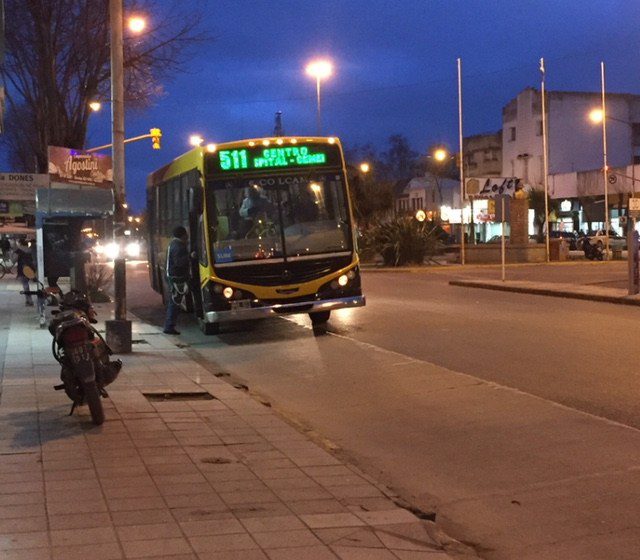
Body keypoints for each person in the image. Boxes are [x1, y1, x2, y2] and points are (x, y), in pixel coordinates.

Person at [163, 225, 190, 335]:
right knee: (174, 302)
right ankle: (169, 326)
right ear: (183, 235)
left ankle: (170, 325)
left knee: (174, 302)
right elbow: (179, 262)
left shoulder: (173, 244)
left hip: (173, 276)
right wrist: (190, 256)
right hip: (176, 278)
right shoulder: (179, 246)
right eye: (186, 234)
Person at [14, 239, 35, 306]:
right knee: (27, 285)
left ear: (20, 243)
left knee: (25, 285)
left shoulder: (18, 251)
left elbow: (14, 260)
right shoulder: (30, 250)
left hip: (22, 269)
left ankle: (29, 300)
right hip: (31, 269)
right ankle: (28, 300)